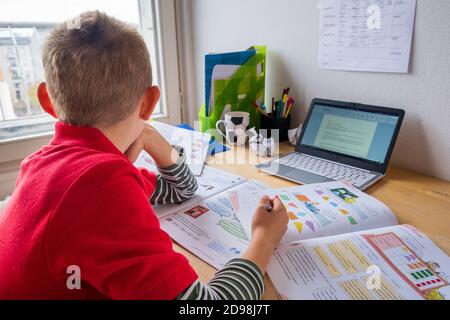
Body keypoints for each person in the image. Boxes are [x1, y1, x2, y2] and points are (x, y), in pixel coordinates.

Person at [0, 11, 288, 300]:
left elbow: (183, 190)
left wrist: (149, 137)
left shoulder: (48, 162)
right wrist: (264, 238)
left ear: (47, 100)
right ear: (149, 103)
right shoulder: (100, 183)